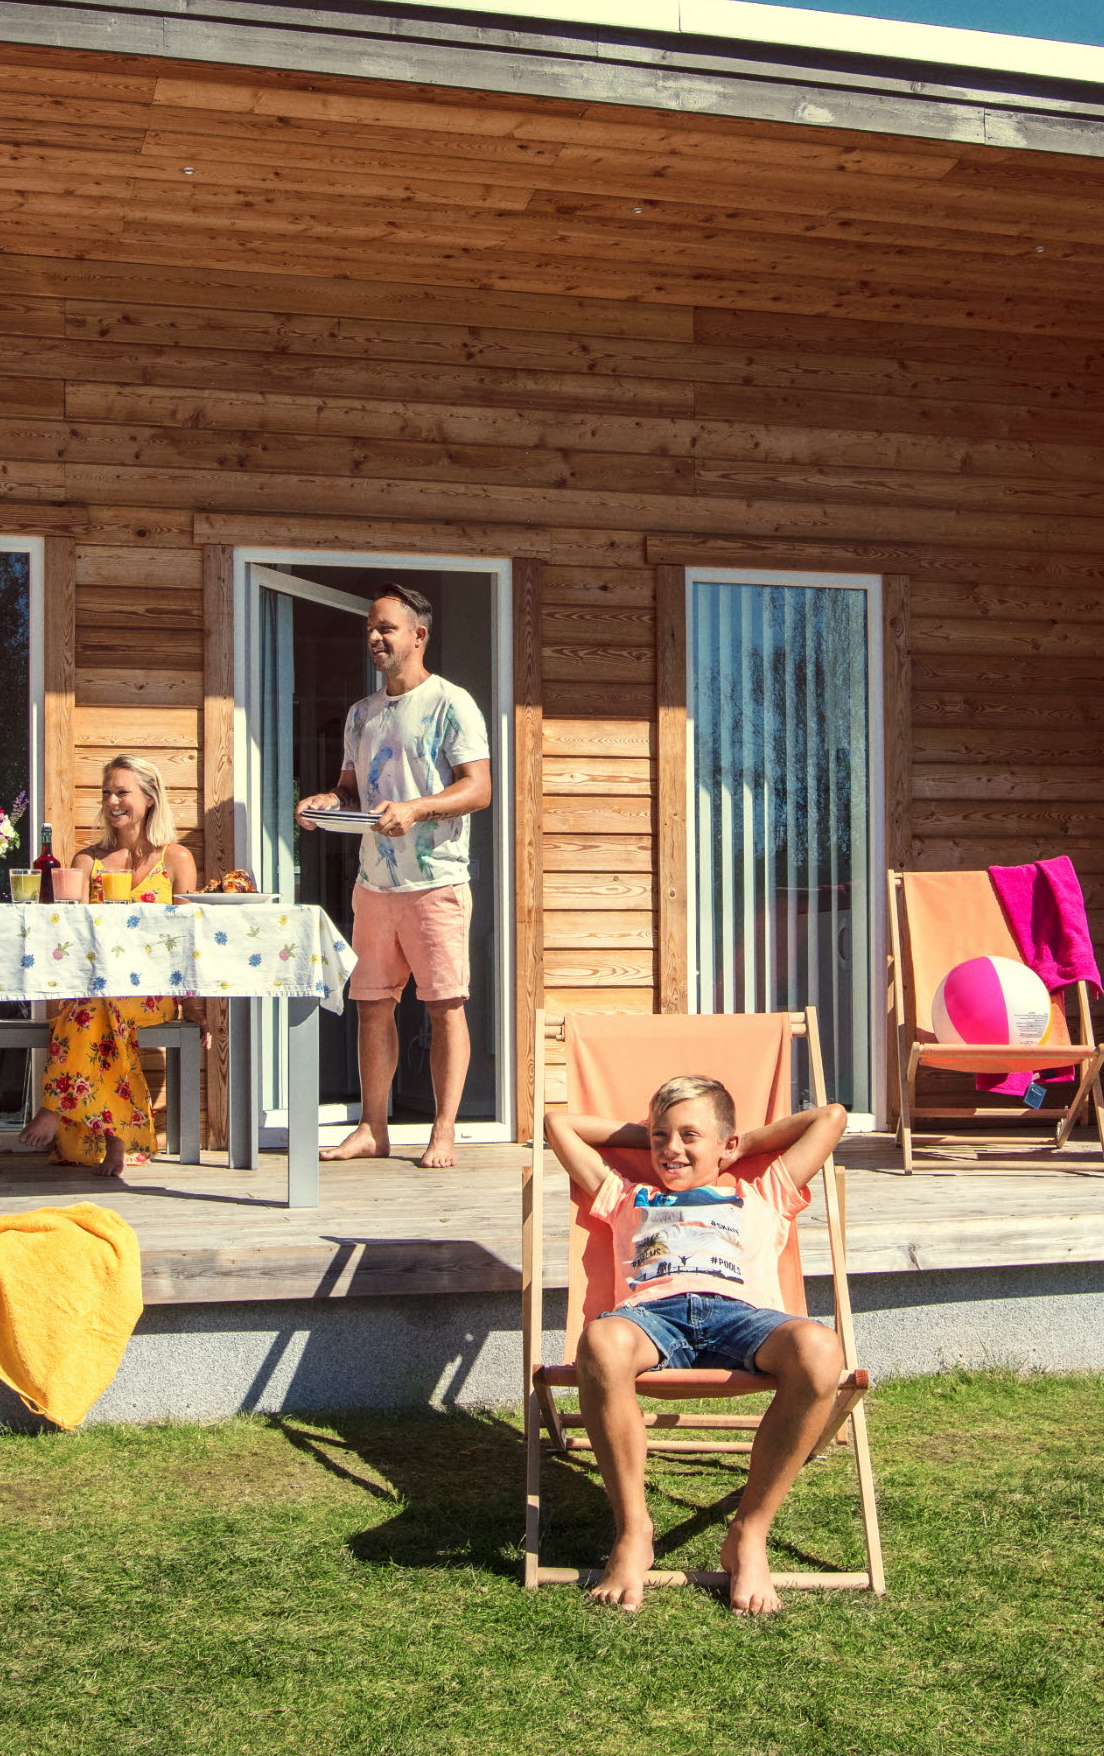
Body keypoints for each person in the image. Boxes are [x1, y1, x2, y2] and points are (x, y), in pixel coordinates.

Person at [543, 1079, 850, 1614]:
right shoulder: (627, 1196)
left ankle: (749, 1534)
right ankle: (634, 1530)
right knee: (600, 1340)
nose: (670, 1149)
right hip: (651, 1318)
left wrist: (737, 1145)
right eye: (661, 1136)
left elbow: (832, 1118)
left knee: (822, 1349)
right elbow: (559, 1125)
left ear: (727, 1146)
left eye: (690, 1136)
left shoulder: (763, 1191)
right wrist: (650, 1135)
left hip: (744, 1318)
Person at [295, 584, 492, 1168]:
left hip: (436, 883)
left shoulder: (451, 703)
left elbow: (478, 788)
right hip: (374, 885)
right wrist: (327, 802)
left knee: (444, 1006)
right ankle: (371, 1129)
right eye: (371, 630)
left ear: (418, 635)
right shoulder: (362, 713)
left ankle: (444, 1130)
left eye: (386, 628)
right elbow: (352, 788)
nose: (375, 639)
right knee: (373, 1006)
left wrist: (418, 808)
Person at [21, 754, 199, 1176]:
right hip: (100, 988)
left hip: (153, 990)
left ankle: (56, 1106)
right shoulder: (88, 861)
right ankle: (116, 1142)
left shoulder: (176, 860)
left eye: (122, 792)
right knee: (101, 1007)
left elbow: (190, 943)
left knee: (102, 1008)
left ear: (150, 798)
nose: (112, 801)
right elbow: (74, 940)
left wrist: (194, 1007)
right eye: (107, 793)